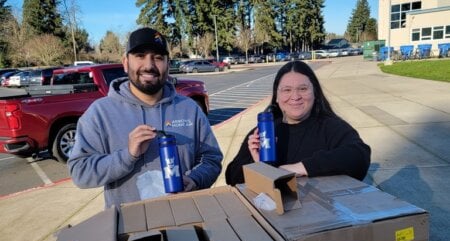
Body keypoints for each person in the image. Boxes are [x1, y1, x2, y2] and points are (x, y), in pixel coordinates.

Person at [68, 27, 223, 208]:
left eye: (158, 57)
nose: (149, 65)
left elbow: (212, 159)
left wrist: (195, 180)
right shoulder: (100, 113)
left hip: (185, 218)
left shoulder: (189, 109)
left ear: (167, 63)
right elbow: (80, 172)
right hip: (130, 228)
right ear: (126, 62)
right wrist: (127, 155)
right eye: (140, 56)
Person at [225, 60, 370, 186]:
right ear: (277, 97)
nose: (295, 96)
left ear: (315, 93)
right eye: (287, 90)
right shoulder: (264, 132)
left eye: (303, 89)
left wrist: (297, 168)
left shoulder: (331, 127)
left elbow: (359, 157)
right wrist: (257, 165)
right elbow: (232, 178)